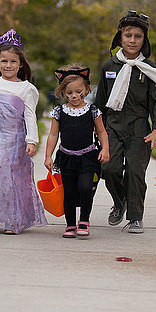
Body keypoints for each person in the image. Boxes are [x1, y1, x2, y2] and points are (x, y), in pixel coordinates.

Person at [95, 11, 156, 233]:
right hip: (112, 124)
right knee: (109, 168)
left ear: (144, 40)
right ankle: (119, 202)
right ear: (120, 38)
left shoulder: (149, 69)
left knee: (135, 172)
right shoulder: (109, 66)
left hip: (139, 127)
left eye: (138, 36)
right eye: (128, 35)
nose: (132, 40)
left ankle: (135, 216)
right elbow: (100, 100)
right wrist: (96, 128)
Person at [0, 29, 47, 234]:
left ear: (20, 64)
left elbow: (30, 115)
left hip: (16, 141)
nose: (8, 66)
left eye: (13, 62)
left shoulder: (27, 89)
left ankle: (13, 220)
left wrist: (32, 140)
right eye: (4, 61)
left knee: (12, 180)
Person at [44, 64, 109, 238]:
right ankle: (70, 224)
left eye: (78, 91)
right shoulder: (59, 111)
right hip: (66, 157)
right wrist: (48, 155)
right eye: (70, 92)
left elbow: (102, 132)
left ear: (87, 89)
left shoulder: (93, 110)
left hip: (88, 156)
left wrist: (105, 149)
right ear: (63, 92)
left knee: (86, 187)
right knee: (69, 192)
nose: (74, 96)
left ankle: (84, 220)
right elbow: (53, 135)